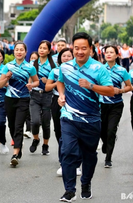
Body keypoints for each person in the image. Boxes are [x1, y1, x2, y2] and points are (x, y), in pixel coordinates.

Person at [57, 32, 114, 201]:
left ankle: (86, 183)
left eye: (84, 48)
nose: (80, 51)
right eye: (76, 48)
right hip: (69, 118)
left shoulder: (99, 68)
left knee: (89, 155)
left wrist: (91, 86)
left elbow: (110, 90)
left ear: (90, 49)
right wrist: (61, 95)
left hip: (91, 119)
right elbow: (60, 81)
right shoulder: (65, 67)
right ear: (72, 48)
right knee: (67, 151)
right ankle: (69, 190)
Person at [0, 42, 39, 167]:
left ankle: (15, 154)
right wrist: (6, 77)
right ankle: (18, 144)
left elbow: (37, 81)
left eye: (22, 50)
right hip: (10, 98)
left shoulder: (30, 67)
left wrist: (31, 85)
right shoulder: (8, 66)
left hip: (23, 99)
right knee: (11, 125)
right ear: (14, 51)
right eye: (17, 49)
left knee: (18, 126)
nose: (19, 52)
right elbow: (0, 84)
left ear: (26, 52)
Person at [46, 48, 81, 176]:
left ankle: (76, 163)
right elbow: (47, 87)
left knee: (74, 132)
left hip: (74, 100)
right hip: (57, 100)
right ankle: (63, 161)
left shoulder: (77, 70)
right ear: (59, 58)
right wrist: (58, 82)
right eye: (64, 56)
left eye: (68, 56)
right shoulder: (55, 71)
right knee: (60, 132)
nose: (66, 58)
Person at [100, 45, 132, 168]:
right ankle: (105, 142)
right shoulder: (100, 69)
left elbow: (129, 86)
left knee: (111, 130)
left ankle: (108, 158)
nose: (108, 54)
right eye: (106, 52)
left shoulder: (122, 70)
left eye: (111, 52)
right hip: (102, 104)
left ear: (117, 55)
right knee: (102, 131)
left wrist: (121, 91)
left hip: (116, 105)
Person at [29, 40, 56, 155]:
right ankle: (36, 139)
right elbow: (29, 77)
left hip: (48, 95)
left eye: (45, 48)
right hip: (34, 95)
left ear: (49, 51)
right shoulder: (33, 63)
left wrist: (48, 81)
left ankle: (45, 145)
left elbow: (58, 79)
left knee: (46, 122)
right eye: (40, 48)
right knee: (34, 121)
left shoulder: (53, 64)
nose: (42, 50)